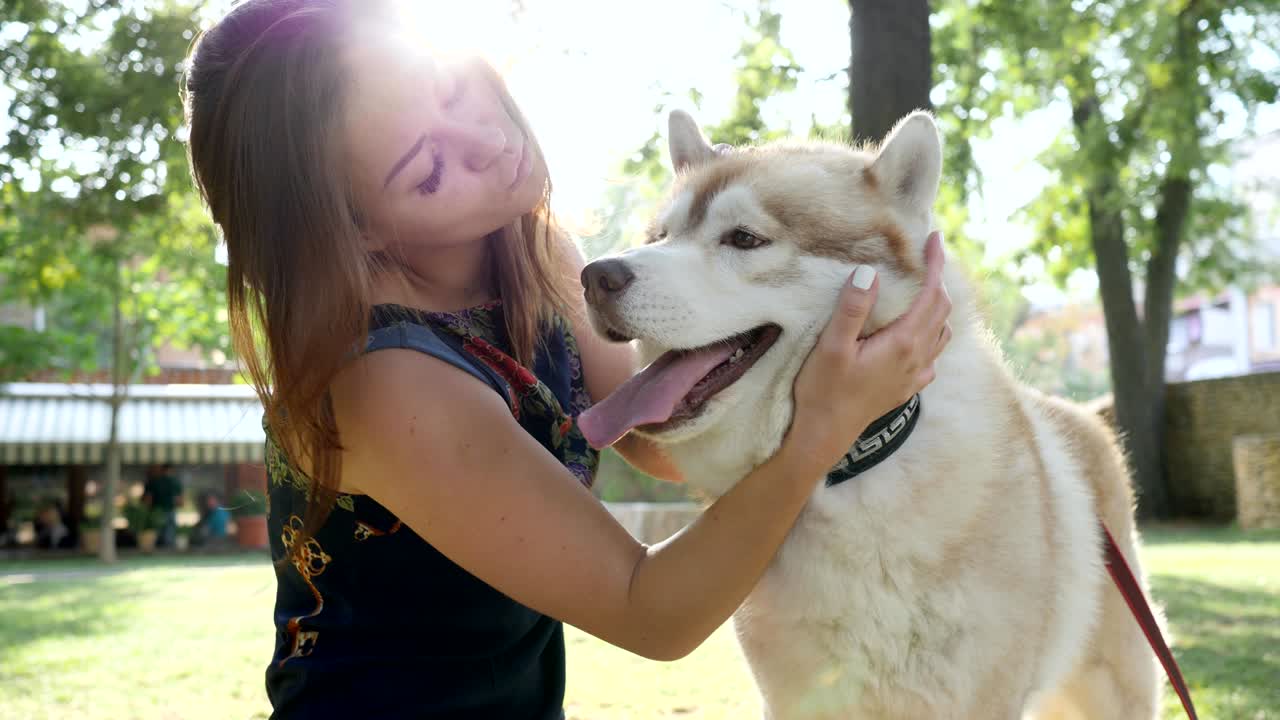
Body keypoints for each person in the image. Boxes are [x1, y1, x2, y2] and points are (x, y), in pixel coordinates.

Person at [182, 1, 952, 717]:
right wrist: (825, 422)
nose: (490, 142)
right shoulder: (384, 382)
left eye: (452, 91)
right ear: (358, 234)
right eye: (429, 170)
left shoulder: (535, 255)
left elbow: (657, 444)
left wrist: (789, 336)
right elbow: (650, 609)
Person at [143, 464, 181, 548]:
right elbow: (179, 499)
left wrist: (147, 509)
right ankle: (169, 548)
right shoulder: (175, 482)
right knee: (169, 531)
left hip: (157, 511)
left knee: (158, 530)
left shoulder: (154, 481)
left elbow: (148, 498)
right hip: (170, 510)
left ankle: (158, 547)